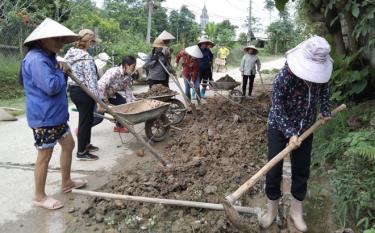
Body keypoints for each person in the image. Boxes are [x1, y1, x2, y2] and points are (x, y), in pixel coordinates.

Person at [259, 36, 333, 232]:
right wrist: (290, 133)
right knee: (273, 169)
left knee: (301, 169)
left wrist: (325, 110)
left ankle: (296, 211)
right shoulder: (284, 76)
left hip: (306, 127)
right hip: (279, 125)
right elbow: (277, 107)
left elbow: (325, 90)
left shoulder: (322, 75)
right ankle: (271, 210)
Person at [21, 18, 87, 210]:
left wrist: (61, 67)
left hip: (56, 116)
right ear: (41, 40)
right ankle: (39, 196)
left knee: (69, 144)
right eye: (56, 39)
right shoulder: (36, 59)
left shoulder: (49, 57)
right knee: (45, 155)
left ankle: (66, 182)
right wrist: (62, 72)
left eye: (61, 39)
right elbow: (51, 87)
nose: (59, 42)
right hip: (44, 117)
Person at [64, 29, 103, 161]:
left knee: (87, 119)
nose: (92, 45)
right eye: (92, 43)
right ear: (89, 42)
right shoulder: (86, 58)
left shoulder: (70, 54)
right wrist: (99, 100)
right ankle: (81, 152)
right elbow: (91, 81)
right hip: (84, 92)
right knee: (85, 121)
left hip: (74, 91)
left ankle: (86, 144)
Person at [98, 56, 137, 133]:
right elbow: (101, 86)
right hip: (99, 94)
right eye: (133, 66)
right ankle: (81, 129)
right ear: (126, 65)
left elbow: (128, 92)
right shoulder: (114, 72)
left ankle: (119, 126)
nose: (134, 68)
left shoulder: (128, 77)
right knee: (98, 118)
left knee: (123, 104)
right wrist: (104, 101)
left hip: (111, 94)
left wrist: (130, 106)